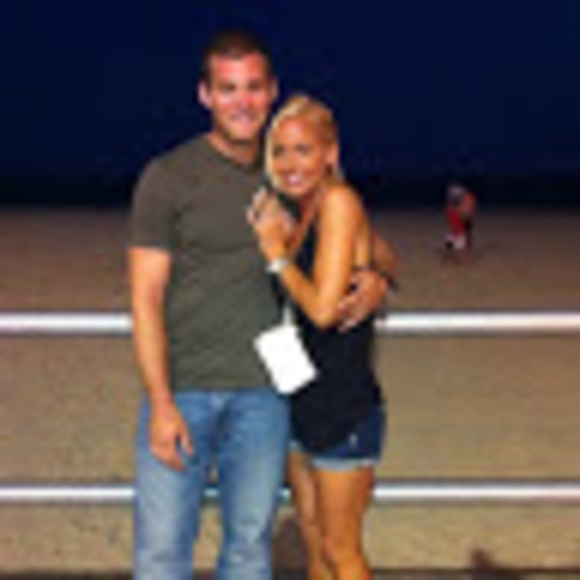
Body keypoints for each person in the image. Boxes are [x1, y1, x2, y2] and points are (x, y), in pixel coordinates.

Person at [128, 31, 392, 579]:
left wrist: (379, 276)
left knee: (250, 549)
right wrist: (160, 401)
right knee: (162, 553)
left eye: (253, 87)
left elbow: (365, 237)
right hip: (187, 391)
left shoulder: (291, 183)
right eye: (228, 89)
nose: (242, 102)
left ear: (271, 91)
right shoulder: (170, 177)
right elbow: (145, 297)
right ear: (205, 95)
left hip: (268, 398)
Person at [248, 94, 393, 580]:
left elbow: (324, 311)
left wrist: (276, 256)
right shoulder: (298, 210)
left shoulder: (338, 201)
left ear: (330, 153)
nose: (290, 164)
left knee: (340, 551)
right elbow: (384, 252)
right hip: (299, 397)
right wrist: (380, 274)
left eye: (303, 150)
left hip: (343, 406)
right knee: (313, 541)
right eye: (279, 151)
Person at [444, 181, 477, 253]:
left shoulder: (468, 199)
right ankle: (463, 247)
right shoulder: (453, 205)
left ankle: (466, 248)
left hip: (463, 221)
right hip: (459, 223)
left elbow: (467, 214)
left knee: (465, 235)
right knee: (453, 239)